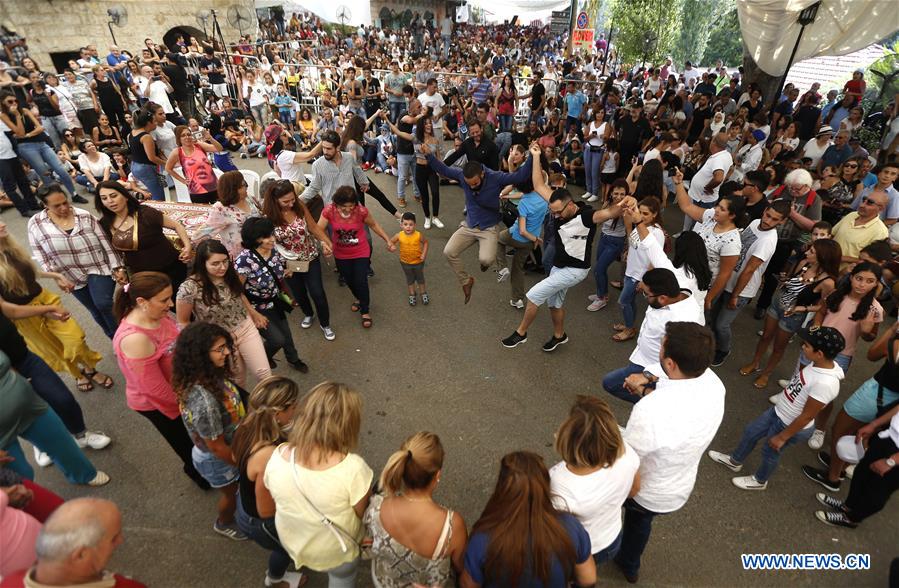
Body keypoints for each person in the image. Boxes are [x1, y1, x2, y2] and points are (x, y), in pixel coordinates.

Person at [613, 322, 725, 583]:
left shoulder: (651, 410)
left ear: (671, 363)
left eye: (662, 348)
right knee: (641, 526)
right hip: (677, 486)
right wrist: (648, 383)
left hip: (646, 490)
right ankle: (630, 566)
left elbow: (628, 459)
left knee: (629, 522)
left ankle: (615, 555)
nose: (659, 350)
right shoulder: (714, 384)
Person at [502, 146, 632, 351]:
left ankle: (521, 333)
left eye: (558, 213)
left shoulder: (587, 216)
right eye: (552, 212)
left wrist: (626, 202)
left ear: (570, 205)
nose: (554, 216)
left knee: (534, 295)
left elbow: (609, 212)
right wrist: (536, 156)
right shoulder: (557, 203)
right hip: (559, 265)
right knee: (555, 303)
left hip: (576, 270)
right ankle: (559, 335)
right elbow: (537, 183)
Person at [264, 381, 373, 587]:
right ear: (349, 424)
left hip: (294, 539)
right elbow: (361, 514)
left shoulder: (278, 455)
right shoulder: (353, 469)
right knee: (342, 578)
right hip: (335, 549)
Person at [708, 327, 845, 490]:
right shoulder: (818, 364)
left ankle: (760, 481)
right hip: (779, 412)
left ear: (820, 353)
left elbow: (808, 416)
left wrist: (782, 437)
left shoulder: (825, 383)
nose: (802, 347)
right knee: (751, 431)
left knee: (770, 452)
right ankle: (734, 461)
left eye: (807, 345)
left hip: (788, 425)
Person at [112, 272, 208, 489]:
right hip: (160, 404)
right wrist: (191, 404)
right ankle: (198, 474)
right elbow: (155, 390)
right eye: (164, 300)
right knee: (186, 442)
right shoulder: (135, 338)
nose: (170, 304)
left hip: (182, 388)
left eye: (170, 297)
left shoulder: (159, 315)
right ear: (141, 302)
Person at [0, 222, 112, 392]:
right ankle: (78, 375)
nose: (2, 223)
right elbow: (8, 309)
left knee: (74, 338)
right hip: (24, 316)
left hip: (44, 299)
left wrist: (55, 275)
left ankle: (89, 367)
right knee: (54, 348)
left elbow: (26, 274)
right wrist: (46, 311)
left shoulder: (7, 245)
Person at [462, 451, 596, 587]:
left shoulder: (483, 539)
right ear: (545, 486)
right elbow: (588, 579)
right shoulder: (570, 526)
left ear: (502, 489)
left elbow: (469, 585)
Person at [423, 143, 533, 303]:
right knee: (449, 252)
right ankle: (466, 281)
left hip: (489, 227)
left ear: (482, 174)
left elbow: (519, 177)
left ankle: (485, 260)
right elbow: (444, 170)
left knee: (486, 260)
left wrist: (533, 157)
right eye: (469, 184)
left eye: (475, 183)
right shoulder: (463, 176)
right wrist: (428, 155)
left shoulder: (495, 177)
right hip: (470, 224)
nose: (472, 187)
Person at [802, 323, 899, 493]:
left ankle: (832, 478)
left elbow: (873, 353)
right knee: (861, 433)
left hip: (878, 393)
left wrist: (892, 330)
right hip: (892, 403)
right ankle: (840, 464)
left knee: (841, 430)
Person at [172, 321, 248, 541]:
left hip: (231, 449)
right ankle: (224, 523)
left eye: (226, 346)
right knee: (233, 496)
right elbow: (216, 446)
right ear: (200, 355)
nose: (227, 352)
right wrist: (243, 462)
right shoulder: (205, 401)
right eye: (219, 349)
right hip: (220, 460)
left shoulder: (207, 376)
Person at [364, 431, 468, 587]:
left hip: (386, 581)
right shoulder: (452, 526)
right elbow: (461, 566)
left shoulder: (376, 507)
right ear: (437, 475)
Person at [230, 376, 305, 588]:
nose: (296, 409)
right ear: (277, 413)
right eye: (292, 406)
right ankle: (275, 579)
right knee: (284, 549)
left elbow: (236, 459)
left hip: (243, 501)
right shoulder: (268, 455)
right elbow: (266, 511)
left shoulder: (248, 424)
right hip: (260, 521)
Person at [549, 395, 640, 565]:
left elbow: (553, 531)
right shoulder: (627, 453)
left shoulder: (558, 482)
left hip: (579, 550)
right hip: (611, 537)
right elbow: (634, 490)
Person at [740, 239, 841, 389]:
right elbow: (791, 280)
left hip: (793, 316)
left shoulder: (828, 282)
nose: (807, 253)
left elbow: (822, 307)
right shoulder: (804, 264)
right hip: (776, 303)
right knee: (765, 336)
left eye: (812, 252)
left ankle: (767, 373)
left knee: (779, 347)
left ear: (823, 257)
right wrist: (785, 279)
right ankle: (755, 363)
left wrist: (803, 309)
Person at [28, 184, 124, 338]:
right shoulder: (35, 223)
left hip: (97, 266)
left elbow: (105, 242)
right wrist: (55, 277)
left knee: (103, 303)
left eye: (65, 202)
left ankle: (123, 336)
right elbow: (39, 253)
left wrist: (117, 267)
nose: (64, 208)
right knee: (94, 309)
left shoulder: (84, 216)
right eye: (57, 206)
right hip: (69, 275)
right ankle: (113, 337)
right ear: (45, 205)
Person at [176, 239, 271, 387]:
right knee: (237, 381)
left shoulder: (228, 273)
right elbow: (183, 321)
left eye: (225, 261)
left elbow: (239, 294)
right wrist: (199, 347)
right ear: (202, 263)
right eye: (215, 263)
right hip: (220, 341)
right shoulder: (189, 288)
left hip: (245, 328)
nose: (222, 267)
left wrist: (253, 313)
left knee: (265, 375)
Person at [708, 200, 791, 366]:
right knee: (712, 317)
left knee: (722, 325)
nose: (768, 221)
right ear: (765, 210)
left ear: (782, 222)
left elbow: (749, 270)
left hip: (741, 290)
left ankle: (723, 350)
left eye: (775, 219)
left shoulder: (768, 241)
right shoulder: (754, 223)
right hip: (726, 280)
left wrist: (735, 296)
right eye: (768, 215)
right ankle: (711, 345)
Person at [263, 179, 335, 340]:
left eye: (292, 199)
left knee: (318, 293)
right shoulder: (268, 216)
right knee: (299, 293)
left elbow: (314, 227)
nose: (290, 204)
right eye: (285, 201)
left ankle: (325, 324)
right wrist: (279, 267)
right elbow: (268, 245)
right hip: (289, 263)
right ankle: (308, 313)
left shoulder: (299, 206)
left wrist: (326, 242)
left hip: (310, 257)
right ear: (275, 200)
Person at [235, 217, 308, 373]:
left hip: (275, 302)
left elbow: (276, 269)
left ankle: (293, 359)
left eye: (272, 234)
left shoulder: (273, 250)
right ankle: (264, 356)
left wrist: (285, 271)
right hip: (257, 307)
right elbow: (236, 290)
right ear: (254, 239)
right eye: (267, 237)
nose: (272, 239)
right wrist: (253, 314)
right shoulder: (244, 260)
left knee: (287, 335)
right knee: (277, 340)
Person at [318, 186, 396, 329]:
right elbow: (319, 229)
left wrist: (388, 240)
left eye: (351, 206)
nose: (348, 209)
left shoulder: (361, 211)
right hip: (340, 253)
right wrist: (325, 243)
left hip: (361, 251)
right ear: (336, 204)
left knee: (361, 280)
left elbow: (374, 225)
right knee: (348, 280)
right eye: (344, 207)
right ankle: (359, 299)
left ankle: (365, 311)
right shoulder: (329, 210)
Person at [813, 401, 899, 529]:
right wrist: (874, 425)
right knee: (862, 473)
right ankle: (848, 506)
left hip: (895, 456)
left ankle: (852, 518)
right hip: (889, 437)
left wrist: (892, 461)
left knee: (878, 491)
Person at [95, 181, 191, 292]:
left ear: (125, 196)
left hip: (170, 268)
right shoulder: (105, 223)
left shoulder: (145, 213)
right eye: (104, 198)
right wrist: (120, 269)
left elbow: (176, 226)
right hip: (141, 276)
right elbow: (112, 251)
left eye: (113, 196)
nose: (110, 201)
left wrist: (187, 246)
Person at [672, 169, 743, 311]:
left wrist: (708, 298)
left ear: (732, 215)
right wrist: (679, 184)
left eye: (722, 209)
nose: (716, 209)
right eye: (718, 205)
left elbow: (724, 274)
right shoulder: (711, 216)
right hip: (684, 273)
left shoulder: (732, 242)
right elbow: (687, 206)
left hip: (700, 285)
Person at [0, 92, 78, 199]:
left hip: (42, 143)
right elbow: (20, 132)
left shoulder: (25, 111)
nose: (14, 103)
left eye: (16, 101)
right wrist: (17, 116)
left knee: (60, 169)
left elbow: (40, 128)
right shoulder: (4, 116)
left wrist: (27, 135)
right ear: (3, 103)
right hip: (26, 147)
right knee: (44, 173)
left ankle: (74, 194)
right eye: (10, 101)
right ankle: (56, 198)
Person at [197, 170, 262, 259]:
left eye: (245, 184)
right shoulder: (221, 208)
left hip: (260, 249)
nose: (247, 187)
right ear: (232, 189)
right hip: (240, 257)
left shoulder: (249, 199)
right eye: (243, 185)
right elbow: (205, 232)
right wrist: (187, 245)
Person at [587, 179, 629, 312]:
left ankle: (602, 298)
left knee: (598, 270)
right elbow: (599, 221)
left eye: (622, 194)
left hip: (615, 242)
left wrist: (627, 249)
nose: (619, 197)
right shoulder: (607, 203)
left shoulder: (626, 209)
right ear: (611, 193)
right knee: (600, 268)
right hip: (603, 238)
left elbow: (629, 230)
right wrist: (591, 239)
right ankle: (601, 293)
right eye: (616, 193)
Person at [300, 130, 369, 208]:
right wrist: (297, 201)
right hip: (333, 210)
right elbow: (314, 188)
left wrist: (364, 182)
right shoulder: (317, 165)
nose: (325, 151)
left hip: (352, 205)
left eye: (329, 149)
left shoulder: (349, 157)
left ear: (338, 147)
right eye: (323, 148)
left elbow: (357, 170)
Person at [682, 132, 733, 232]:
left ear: (713, 142)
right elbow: (731, 169)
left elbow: (718, 178)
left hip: (703, 199)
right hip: (700, 196)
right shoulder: (726, 155)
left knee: (697, 224)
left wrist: (709, 187)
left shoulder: (718, 159)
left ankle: (690, 239)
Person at [830, 189, 889, 269]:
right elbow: (832, 234)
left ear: (881, 208)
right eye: (864, 200)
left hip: (844, 274)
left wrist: (838, 257)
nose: (862, 205)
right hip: (824, 264)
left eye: (870, 203)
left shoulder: (881, 232)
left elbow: (871, 262)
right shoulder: (851, 215)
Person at [165, 124, 222, 204]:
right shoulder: (177, 152)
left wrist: (210, 138)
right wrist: (183, 180)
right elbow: (168, 168)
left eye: (188, 134)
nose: (187, 137)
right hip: (196, 191)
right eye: (183, 135)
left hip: (214, 186)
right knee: (204, 214)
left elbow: (219, 148)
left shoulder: (199, 145)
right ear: (179, 138)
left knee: (221, 212)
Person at [389, 212, 429, 306]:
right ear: (401, 225)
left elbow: (426, 243)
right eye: (405, 224)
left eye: (411, 224)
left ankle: (423, 293)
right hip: (405, 263)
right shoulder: (399, 235)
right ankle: (412, 294)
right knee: (410, 279)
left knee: (420, 278)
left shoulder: (418, 235)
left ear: (415, 225)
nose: (408, 227)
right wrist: (391, 247)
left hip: (418, 262)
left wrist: (424, 254)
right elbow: (390, 243)